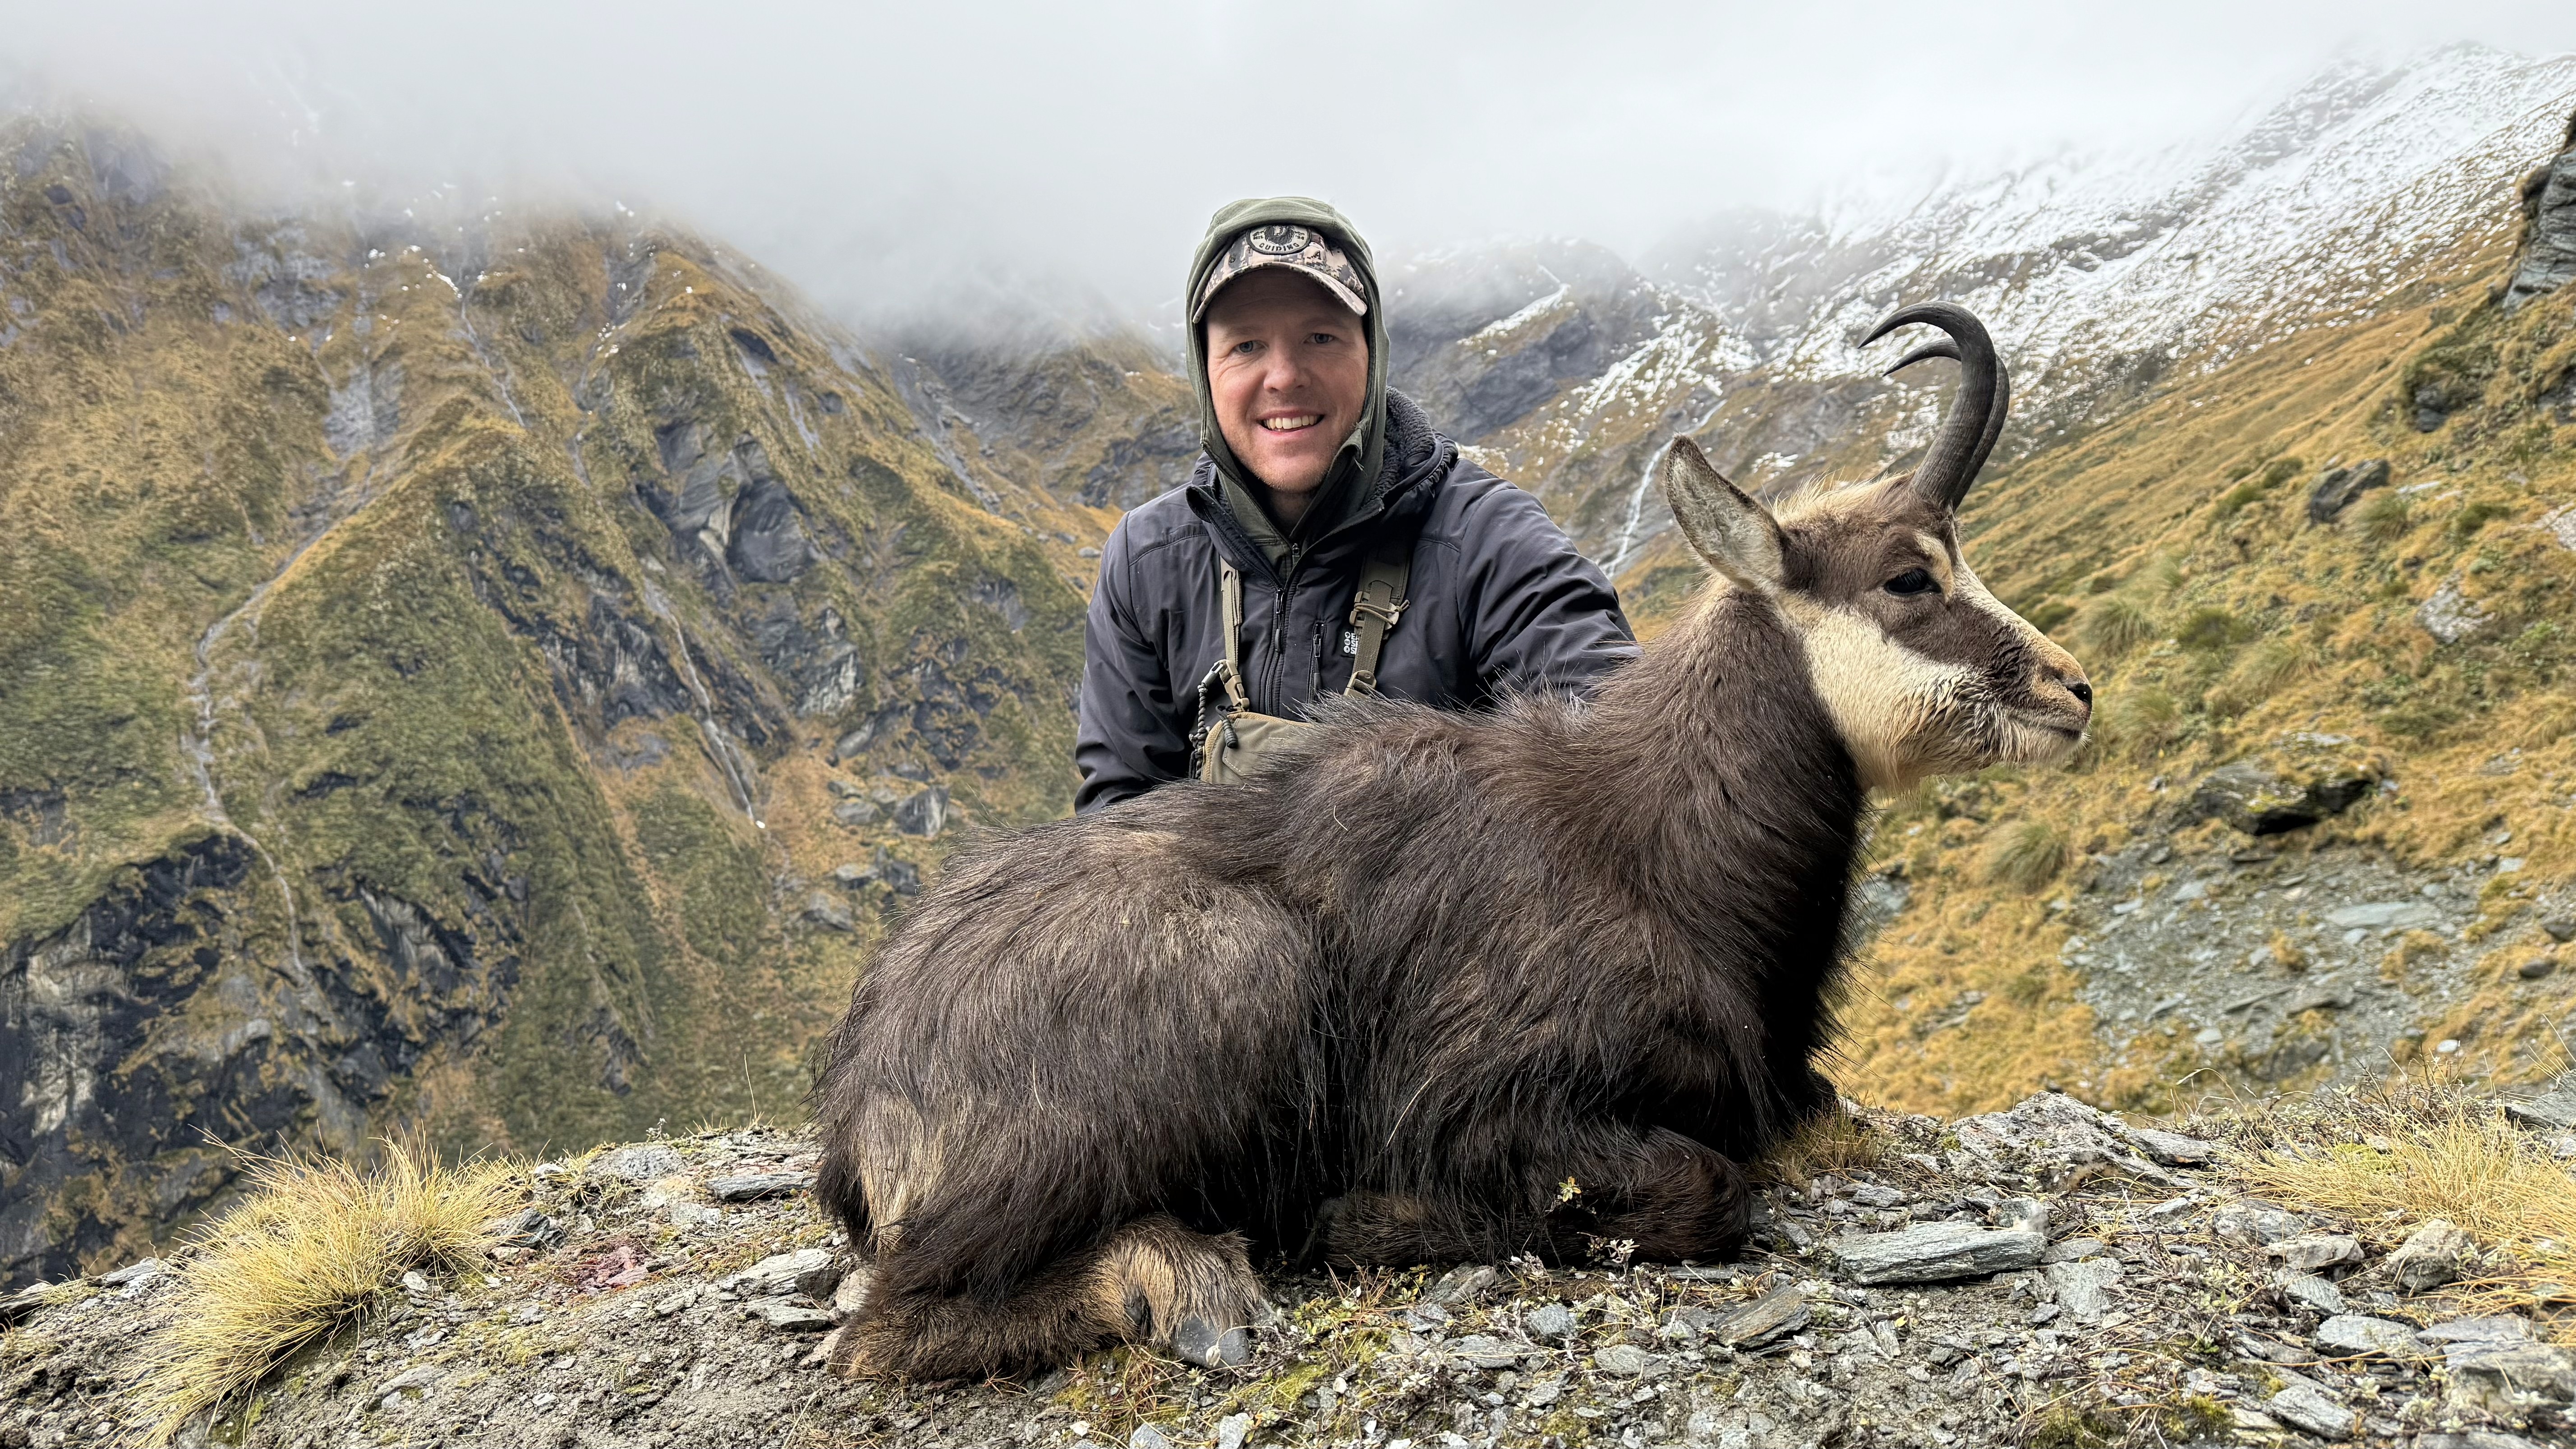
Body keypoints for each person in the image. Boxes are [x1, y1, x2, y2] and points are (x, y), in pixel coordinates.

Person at [1074, 197, 1637, 812]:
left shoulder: (1492, 543)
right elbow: (1115, 825)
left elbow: (1617, 772)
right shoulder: (1146, 561)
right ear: (1204, 371)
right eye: (1246, 346)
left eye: (1321, 337)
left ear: (1372, 355)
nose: (1284, 376)